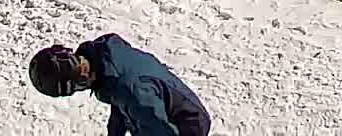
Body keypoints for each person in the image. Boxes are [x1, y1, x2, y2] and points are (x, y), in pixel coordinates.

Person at [29, 34, 211, 136]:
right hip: (168, 106)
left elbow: (161, 131)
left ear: (80, 81)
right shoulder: (106, 57)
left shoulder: (129, 90)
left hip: (187, 124)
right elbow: (121, 105)